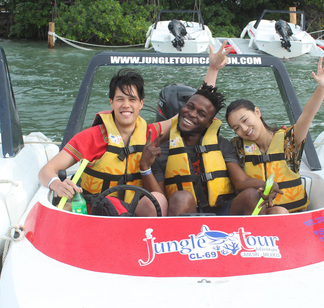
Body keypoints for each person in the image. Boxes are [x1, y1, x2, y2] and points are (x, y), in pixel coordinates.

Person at [38, 41, 232, 217]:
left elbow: (195, 108)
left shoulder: (150, 133)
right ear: (111, 102)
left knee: (159, 199)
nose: (126, 105)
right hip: (96, 210)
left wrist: (213, 70)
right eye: (120, 99)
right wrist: (56, 183)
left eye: (132, 100)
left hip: (132, 214)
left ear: (141, 103)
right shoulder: (92, 137)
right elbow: (47, 170)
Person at [141, 82, 287, 216]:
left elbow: (240, 181)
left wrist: (266, 185)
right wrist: (145, 167)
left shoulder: (222, 145)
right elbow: (159, 200)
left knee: (252, 195)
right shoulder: (161, 151)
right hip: (184, 214)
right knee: (181, 197)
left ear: (208, 123)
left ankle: (252, 242)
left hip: (223, 212)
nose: (192, 114)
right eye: (189, 107)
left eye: (201, 114)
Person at [225, 57, 324, 212]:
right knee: (275, 209)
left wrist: (322, 88)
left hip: (289, 215)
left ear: (257, 112)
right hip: (256, 210)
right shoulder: (237, 146)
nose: (244, 129)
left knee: (280, 211)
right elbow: (239, 182)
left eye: (245, 120)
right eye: (236, 128)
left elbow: (307, 115)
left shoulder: (289, 140)